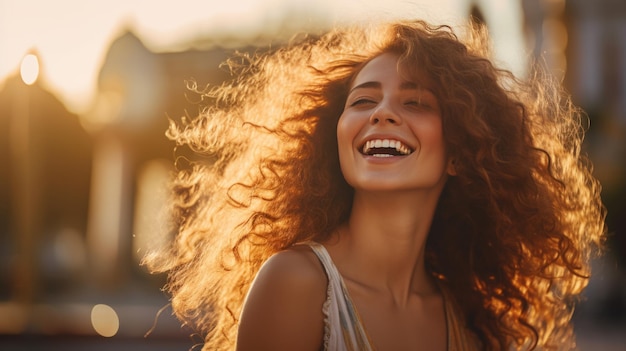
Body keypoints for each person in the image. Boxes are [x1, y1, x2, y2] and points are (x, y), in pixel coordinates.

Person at [144, 19, 606, 350]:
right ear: (338, 136)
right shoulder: (296, 286)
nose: (381, 113)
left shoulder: (468, 320)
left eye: (416, 102)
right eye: (363, 100)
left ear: (462, 153)